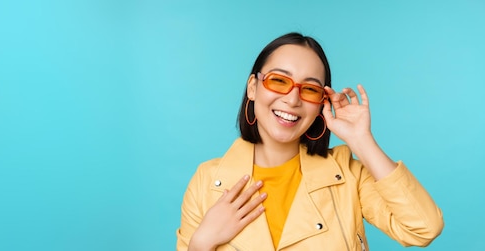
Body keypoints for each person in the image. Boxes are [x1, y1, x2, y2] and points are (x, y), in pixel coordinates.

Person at [176, 32, 444, 251]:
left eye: (310, 89)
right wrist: (201, 244)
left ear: (321, 104)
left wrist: (361, 141)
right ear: (253, 88)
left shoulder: (347, 174)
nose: (293, 100)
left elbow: (423, 228)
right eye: (279, 80)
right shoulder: (207, 181)